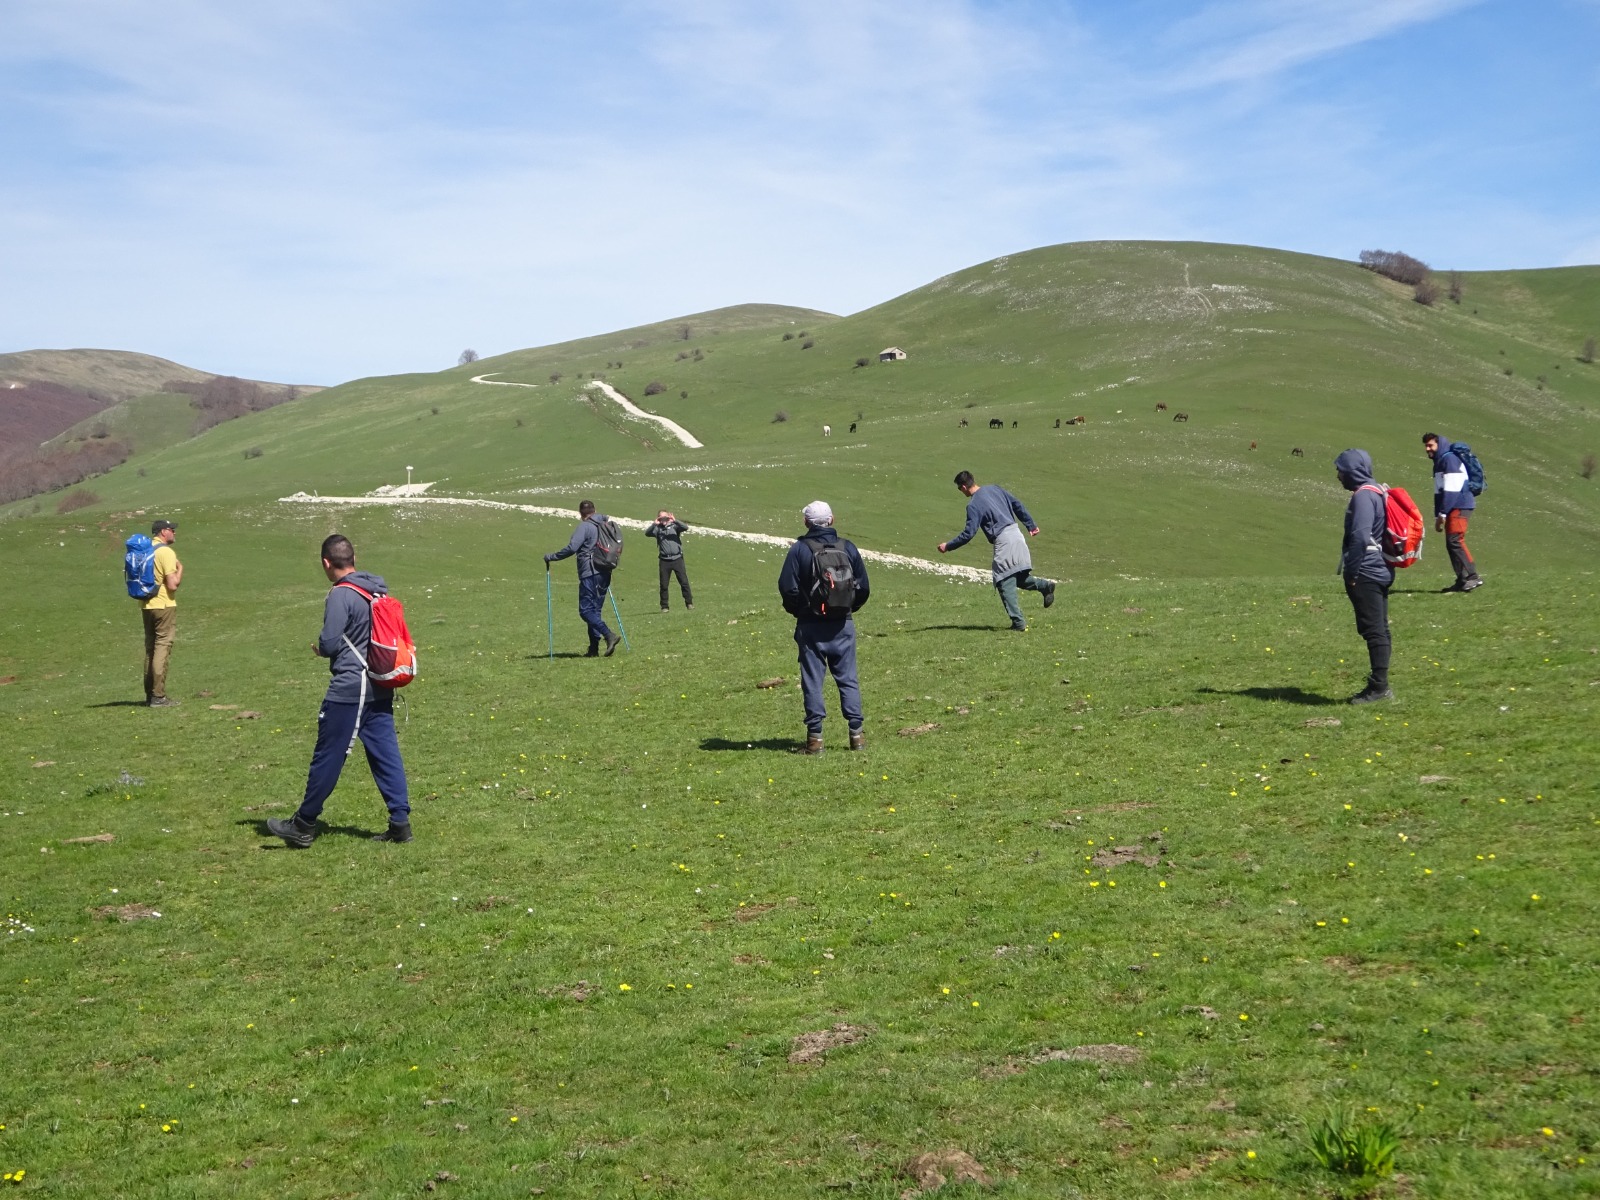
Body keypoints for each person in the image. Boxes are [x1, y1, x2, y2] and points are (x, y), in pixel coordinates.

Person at [268, 534, 412, 847]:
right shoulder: (374, 589)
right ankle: (400, 823)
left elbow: (331, 642)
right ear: (353, 558)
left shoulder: (340, 595)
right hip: (379, 681)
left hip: (351, 686)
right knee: (386, 753)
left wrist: (322, 650)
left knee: (328, 755)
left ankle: (303, 824)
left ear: (326, 563)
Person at [778, 501, 870, 754]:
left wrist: (801, 610)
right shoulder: (847, 548)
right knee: (848, 679)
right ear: (832, 520)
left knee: (812, 681)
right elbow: (863, 588)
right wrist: (847, 609)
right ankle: (857, 736)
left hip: (811, 626)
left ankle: (815, 740)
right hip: (843, 625)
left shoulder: (799, 549)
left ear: (806, 522)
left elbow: (787, 587)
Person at [937, 470, 1056, 630]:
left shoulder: (973, 505)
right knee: (1016, 577)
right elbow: (1017, 504)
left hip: (1003, 540)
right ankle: (1044, 586)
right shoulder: (995, 489)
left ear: (964, 487)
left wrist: (948, 546)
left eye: (959, 489)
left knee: (1003, 580)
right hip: (1017, 535)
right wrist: (1030, 525)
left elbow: (968, 533)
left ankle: (1018, 623)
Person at [1334, 450, 1395, 704]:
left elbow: (1360, 536)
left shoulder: (1363, 496)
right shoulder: (1378, 491)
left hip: (1366, 570)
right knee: (1379, 628)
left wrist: (1352, 572)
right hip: (1380, 567)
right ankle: (1380, 685)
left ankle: (1379, 688)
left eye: (1341, 470)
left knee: (1374, 630)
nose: (1338, 476)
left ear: (1352, 471)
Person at [544, 500, 620, 657]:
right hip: (605, 571)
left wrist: (552, 557)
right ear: (595, 510)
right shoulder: (605, 524)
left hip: (589, 571)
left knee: (585, 611)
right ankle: (593, 650)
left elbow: (572, 548)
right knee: (595, 610)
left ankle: (609, 635)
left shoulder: (585, 526)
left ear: (580, 513)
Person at [1423, 432, 1482, 592]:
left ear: (1439, 444)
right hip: (1453, 506)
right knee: (1452, 543)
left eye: (1430, 445)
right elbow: (1438, 492)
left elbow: (1452, 489)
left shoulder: (1449, 460)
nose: (1427, 449)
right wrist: (1438, 515)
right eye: (1426, 446)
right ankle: (1462, 580)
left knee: (1455, 540)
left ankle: (1472, 577)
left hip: (1460, 504)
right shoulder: (1439, 463)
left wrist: (1442, 513)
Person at [138, 519, 183, 706]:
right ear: (163, 532)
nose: (174, 533)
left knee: (151, 648)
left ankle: (150, 694)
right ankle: (158, 696)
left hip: (146, 605)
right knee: (163, 647)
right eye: (172, 530)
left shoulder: (145, 550)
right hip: (163, 605)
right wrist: (181, 569)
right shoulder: (165, 552)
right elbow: (173, 584)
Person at [646, 510, 694, 612]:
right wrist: (654, 524)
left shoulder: (675, 527)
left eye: (665, 517)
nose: (663, 519)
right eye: (661, 517)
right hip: (664, 560)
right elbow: (647, 533)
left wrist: (675, 520)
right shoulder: (657, 529)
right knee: (664, 584)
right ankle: (664, 607)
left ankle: (689, 603)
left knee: (684, 582)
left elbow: (685, 527)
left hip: (677, 559)